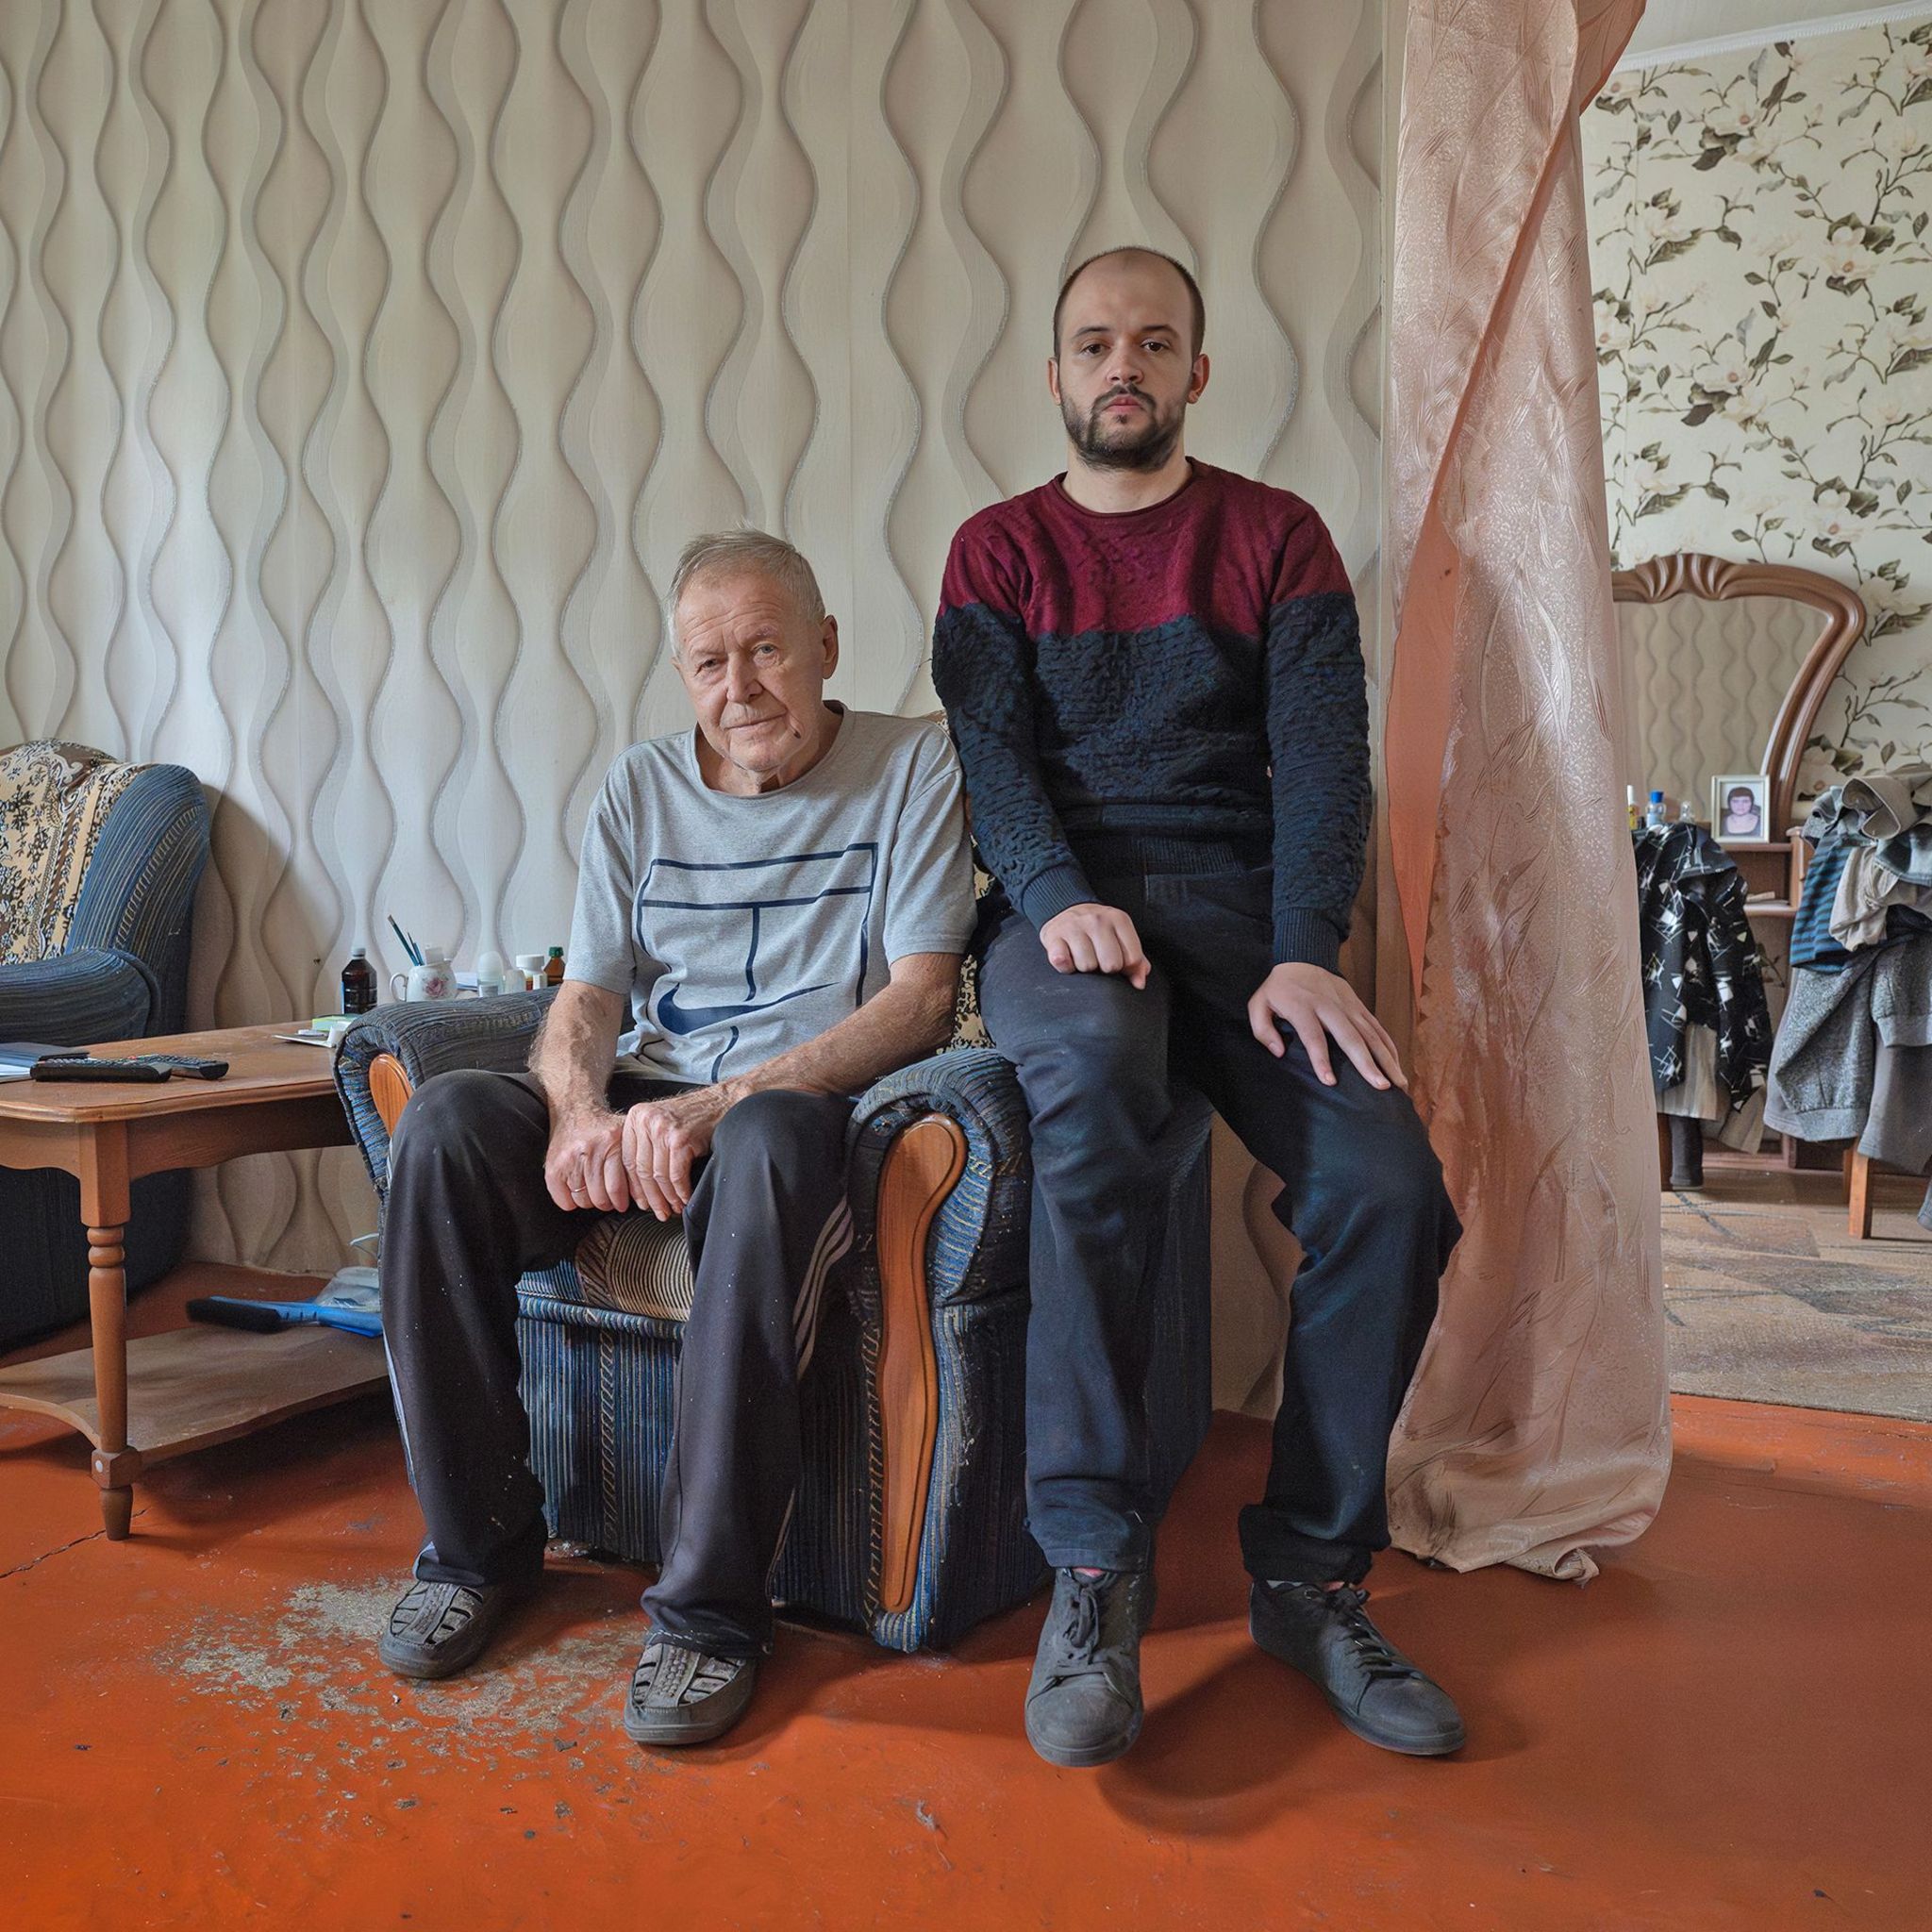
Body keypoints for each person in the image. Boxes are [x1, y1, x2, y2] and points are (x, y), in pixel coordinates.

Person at [932, 246, 1466, 1770]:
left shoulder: (1275, 537)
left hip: (1250, 922)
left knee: (1388, 1186)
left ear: (1195, 374)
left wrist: (1307, 948)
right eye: (1094, 341)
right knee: (1095, 1107)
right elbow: (996, 767)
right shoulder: (997, 551)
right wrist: (1053, 898)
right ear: (1054, 376)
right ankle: (1093, 1571)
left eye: (1153, 343)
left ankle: (1310, 1574)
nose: (1124, 366)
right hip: (1065, 916)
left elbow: (1320, 762)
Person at [375, 530, 974, 1747]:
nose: (740, 687)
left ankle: (711, 1616)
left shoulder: (913, 765)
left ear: (826, 646)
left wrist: (712, 1110)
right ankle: (476, 1549)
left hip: (795, 1117)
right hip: (648, 1102)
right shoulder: (640, 787)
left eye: (766, 650)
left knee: (758, 1143)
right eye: (709, 662)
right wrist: (577, 1111)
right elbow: (585, 1002)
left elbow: (916, 1001)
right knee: (443, 1128)